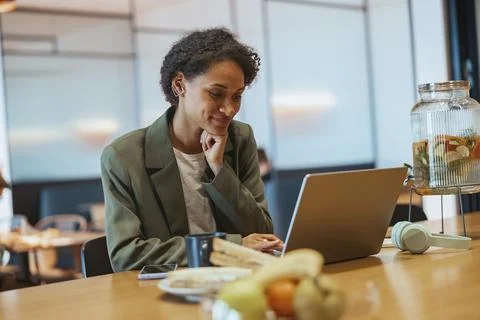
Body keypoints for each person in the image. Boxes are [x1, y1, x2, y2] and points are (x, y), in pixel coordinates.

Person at [101, 28, 283, 272]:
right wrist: (229, 247)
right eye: (216, 94)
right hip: (161, 294)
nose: (229, 109)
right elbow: (126, 255)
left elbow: (261, 232)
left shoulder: (240, 139)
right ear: (179, 85)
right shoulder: (124, 156)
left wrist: (220, 170)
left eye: (237, 96)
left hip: (235, 286)